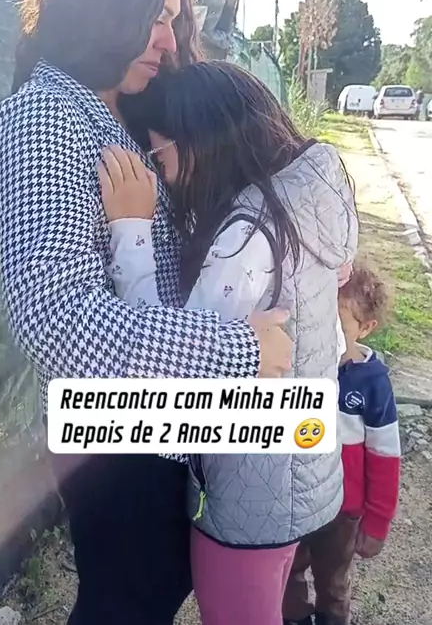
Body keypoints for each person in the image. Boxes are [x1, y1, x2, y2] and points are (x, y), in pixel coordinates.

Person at [0, 0, 292, 625]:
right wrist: (237, 351)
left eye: (173, 19)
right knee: (129, 597)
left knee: (156, 584)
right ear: (98, 3)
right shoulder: (45, 119)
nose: (168, 39)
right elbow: (57, 320)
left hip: (161, 416)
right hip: (113, 435)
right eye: (154, 16)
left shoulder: (118, 106)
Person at [98, 59, 359, 625]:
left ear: (203, 144)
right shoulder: (307, 194)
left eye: (161, 157)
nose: (163, 177)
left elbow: (172, 368)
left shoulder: (246, 238)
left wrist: (131, 229)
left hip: (249, 496)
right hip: (296, 476)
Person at [283, 265, 401, 625]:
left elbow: (385, 458)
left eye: (339, 324)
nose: (326, 332)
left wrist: (377, 522)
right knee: (286, 576)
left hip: (342, 513)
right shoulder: (300, 365)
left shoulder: (373, 385)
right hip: (296, 501)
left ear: (366, 328)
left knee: (333, 584)